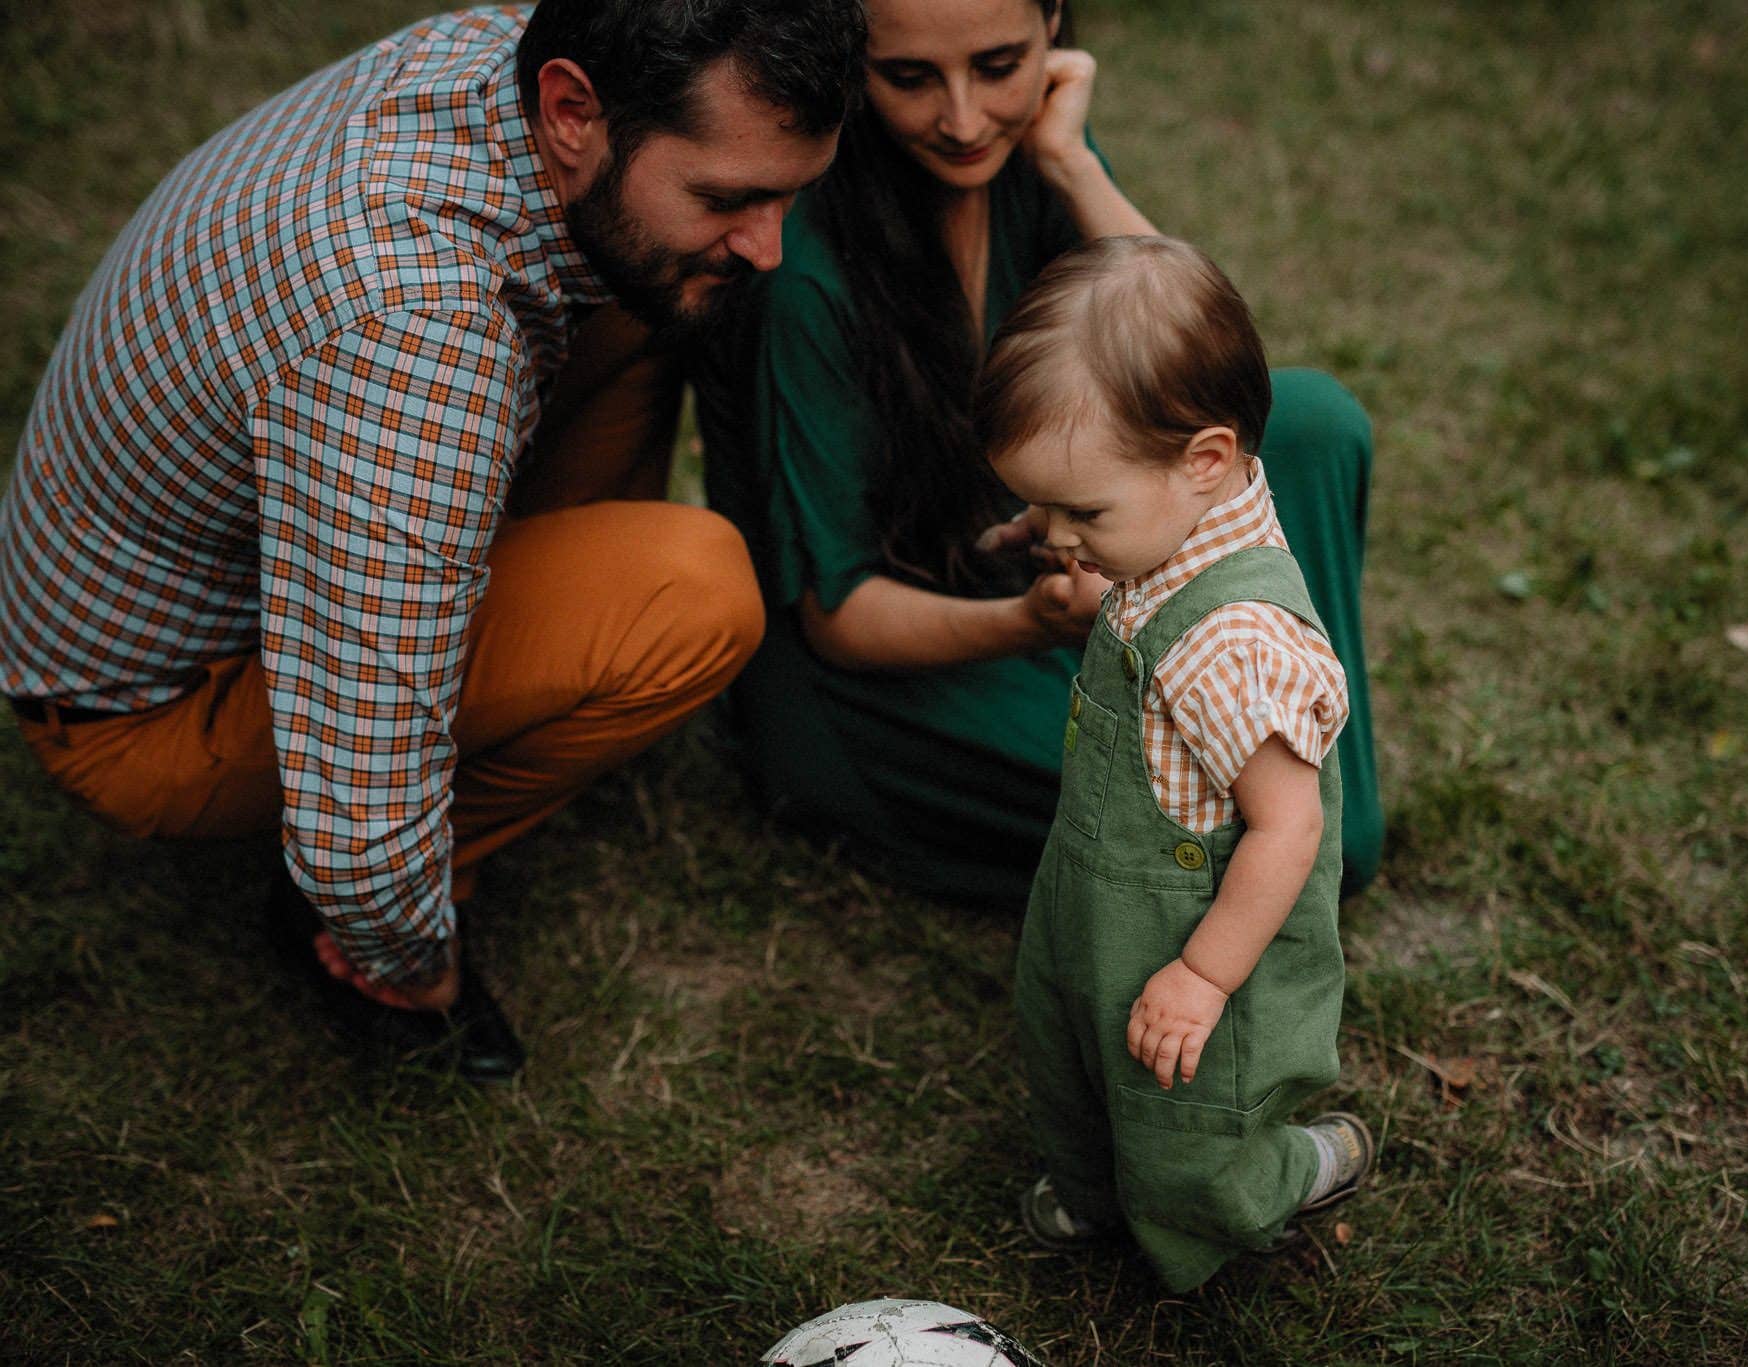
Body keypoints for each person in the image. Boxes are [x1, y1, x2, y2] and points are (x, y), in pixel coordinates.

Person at [0, 0, 866, 1079]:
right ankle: (360, 915)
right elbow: (361, 797)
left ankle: (529, 590)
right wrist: (408, 955)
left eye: (789, 192)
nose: (770, 243)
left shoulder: (521, 50)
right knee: (692, 593)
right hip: (150, 710)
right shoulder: (417, 333)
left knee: (666, 289)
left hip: (210, 555)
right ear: (570, 110)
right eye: (727, 196)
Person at [673, 0, 1385, 906]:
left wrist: (1073, 165)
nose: (964, 120)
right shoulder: (808, 265)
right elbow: (839, 618)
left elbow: (1198, 360)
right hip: (897, 676)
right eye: (909, 78)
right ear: (851, 62)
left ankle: (1292, 735)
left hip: (1046, 567)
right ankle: (1294, 815)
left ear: (1054, 26)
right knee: (1282, 835)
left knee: (1311, 424)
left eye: (1001, 64)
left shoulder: (1032, 164)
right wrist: (1035, 622)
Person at [979, 235, 1371, 1291]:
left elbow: (1287, 826)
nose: (1058, 538)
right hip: (1096, 900)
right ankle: (1095, 1182)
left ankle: (1282, 1172)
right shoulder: (1162, 535)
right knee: (1070, 1050)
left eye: (1082, 512)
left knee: (1189, 1120)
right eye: (1042, 509)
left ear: (1204, 458)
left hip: (1196, 931)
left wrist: (1202, 975)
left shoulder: (1232, 639)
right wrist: (1096, 568)